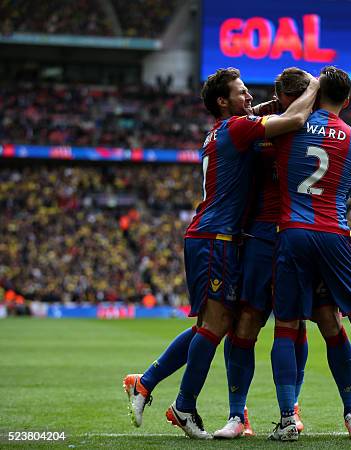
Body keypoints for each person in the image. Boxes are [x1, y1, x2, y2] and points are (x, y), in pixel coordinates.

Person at [123, 67, 319, 439]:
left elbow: (257, 111)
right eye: (241, 92)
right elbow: (295, 117)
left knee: (212, 325)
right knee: (215, 327)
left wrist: (265, 103)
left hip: (214, 236)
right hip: (217, 239)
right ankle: (183, 406)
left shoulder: (220, 130)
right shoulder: (238, 129)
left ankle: (145, 383)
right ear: (222, 101)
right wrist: (315, 86)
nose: (250, 98)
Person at [269, 66, 351, 441]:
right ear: (346, 100)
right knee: (347, 322)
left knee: (286, 327)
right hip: (333, 235)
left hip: (292, 233)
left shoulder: (288, 126)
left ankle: (286, 419)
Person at [213, 67, 312, 439]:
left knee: (293, 324)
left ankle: (293, 409)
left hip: (295, 236)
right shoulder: (259, 127)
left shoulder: (313, 128)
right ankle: (237, 415)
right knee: (245, 324)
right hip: (257, 236)